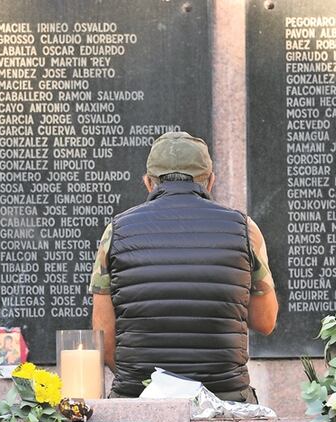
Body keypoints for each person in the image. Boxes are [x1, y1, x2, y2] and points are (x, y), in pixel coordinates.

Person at [89, 131, 279, 403]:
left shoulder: (116, 232)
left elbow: (104, 335)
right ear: (210, 181)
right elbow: (265, 321)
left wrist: (153, 386)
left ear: (148, 183)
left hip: (140, 397)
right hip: (225, 398)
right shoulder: (244, 229)